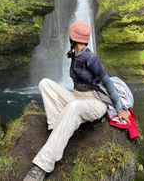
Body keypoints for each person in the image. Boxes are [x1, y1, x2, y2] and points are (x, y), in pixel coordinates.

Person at [23, 21, 130, 181]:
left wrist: (120, 109)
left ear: (73, 37)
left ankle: (42, 165)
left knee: (74, 107)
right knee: (45, 84)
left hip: (95, 101)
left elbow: (107, 82)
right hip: (76, 96)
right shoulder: (74, 52)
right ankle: (57, 127)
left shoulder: (90, 58)